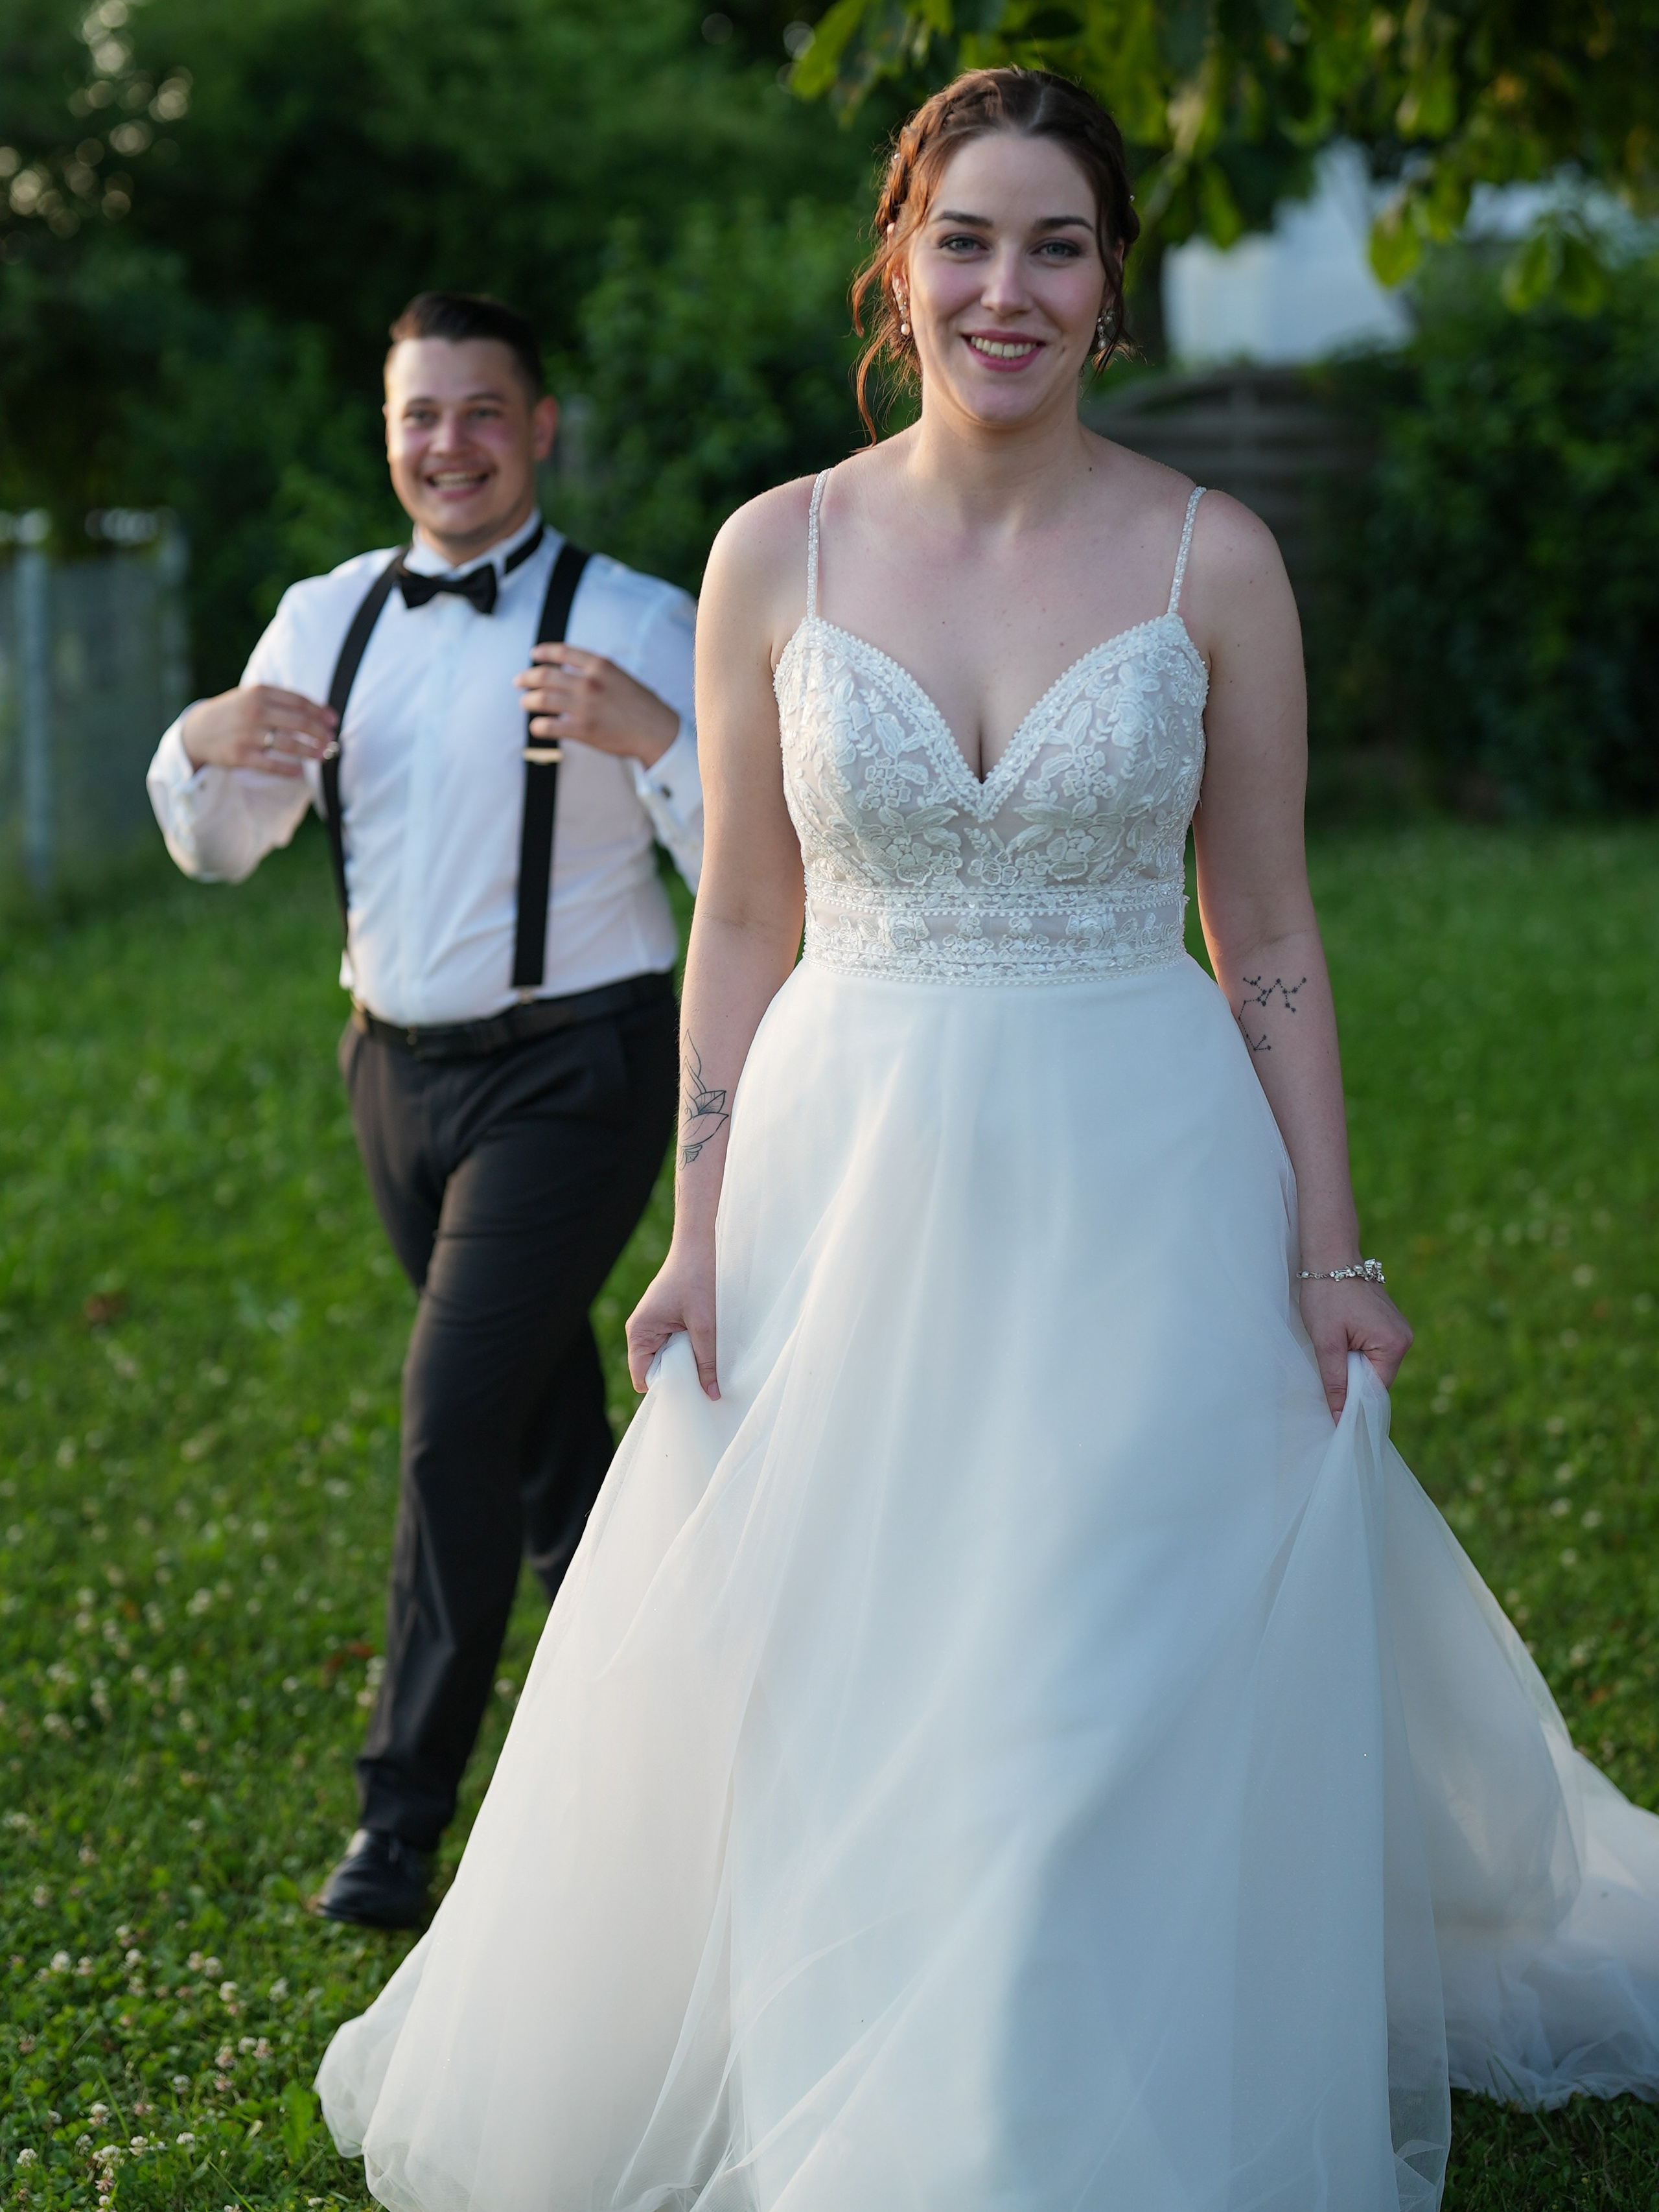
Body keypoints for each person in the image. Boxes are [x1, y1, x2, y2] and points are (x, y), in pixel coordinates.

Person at [316, 75, 1659, 2210]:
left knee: (1095, 1644)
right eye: (967, 240)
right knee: (863, 1649)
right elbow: (744, 917)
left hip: (1140, 1164)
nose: (1006, 289)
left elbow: (1274, 926)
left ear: (1113, 285)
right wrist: (700, 1220)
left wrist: (1331, 1244)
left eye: (1057, 245)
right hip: (853, 1166)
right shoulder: (782, 551)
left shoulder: (1219, 559)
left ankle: (1040, 2076)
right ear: (899, 261)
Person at [146, 290, 700, 1931]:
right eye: (416, 416)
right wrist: (199, 742)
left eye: (480, 412)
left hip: (577, 1067)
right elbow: (223, 844)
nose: (445, 444)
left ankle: (397, 1822)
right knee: (536, 1445)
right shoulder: (325, 617)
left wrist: (653, 736)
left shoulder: (642, 617)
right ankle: (670, 1716)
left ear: (538, 427)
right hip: (390, 1072)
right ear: (387, 434)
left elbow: (755, 860)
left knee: (454, 1414)